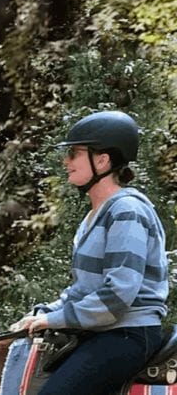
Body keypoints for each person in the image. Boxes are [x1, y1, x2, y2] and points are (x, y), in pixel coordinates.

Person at [11, 110, 168, 395]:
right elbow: (84, 290)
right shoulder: (95, 215)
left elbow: (118, 296)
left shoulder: (127, 211)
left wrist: (53, 320)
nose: (66, 161)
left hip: (127, 334)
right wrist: (45, 313)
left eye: (73, 153)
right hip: (103, 330)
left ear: (102, 160)